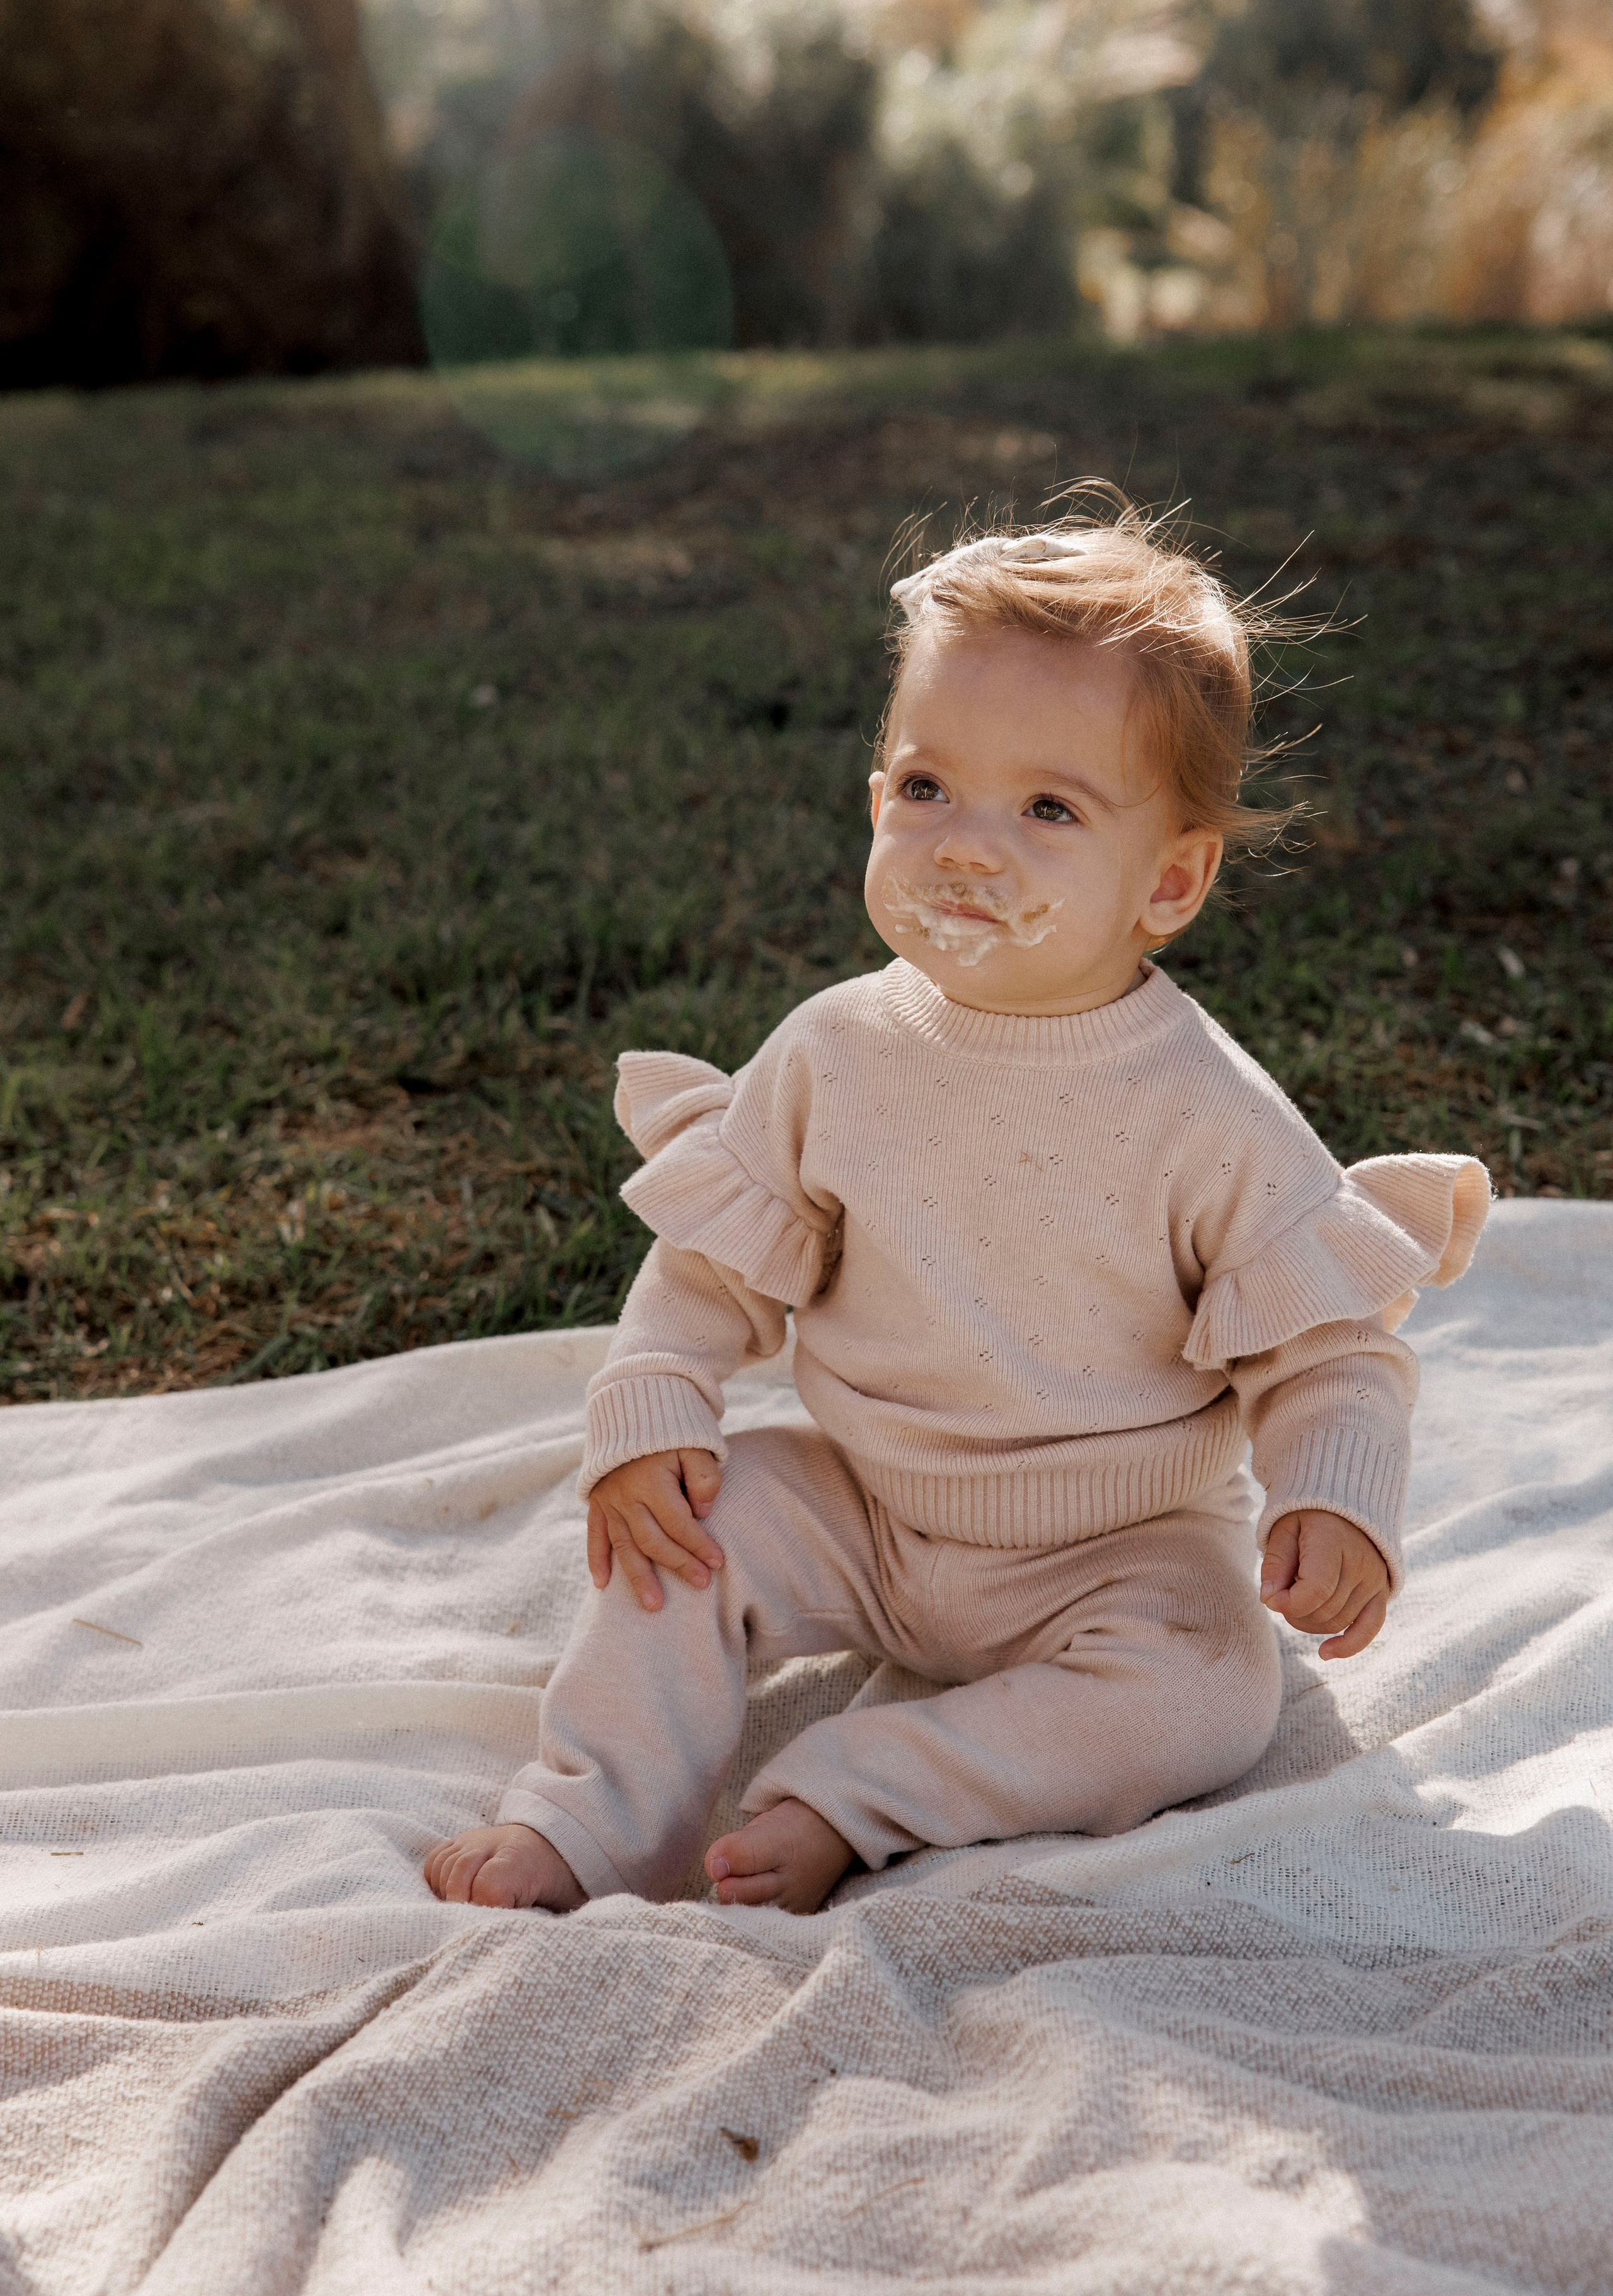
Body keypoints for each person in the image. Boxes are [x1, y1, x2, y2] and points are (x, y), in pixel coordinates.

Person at [425, 502, 1490, 1917]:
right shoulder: (833, 1051)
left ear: (1169, 879)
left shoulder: (1207, 1113)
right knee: (675, 1539)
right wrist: (657, 1399)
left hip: (1115, 1554)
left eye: (1047, 810)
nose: (966, 850)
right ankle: (591, 1816)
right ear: (877, 801)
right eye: (928, 789)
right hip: (866, 1506)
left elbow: (1325, 1348)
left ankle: (861, 1788)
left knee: (1210, 1690)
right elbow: (713, 1264)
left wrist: (1333, 1496)